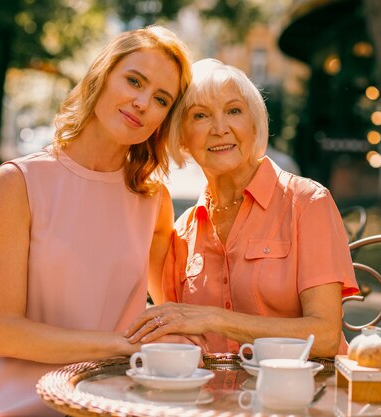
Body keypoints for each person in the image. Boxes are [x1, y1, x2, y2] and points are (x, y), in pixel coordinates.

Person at [0, 25, 192, 417]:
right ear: (102, 75)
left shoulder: (153, 200)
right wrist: (122, 345)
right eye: (134, 80)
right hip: (5, 398)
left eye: (161, 99)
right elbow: (6, 335)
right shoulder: (21, 181)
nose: (142, 102)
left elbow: (170, 313)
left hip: (102, 396)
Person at [124, 59, 359, 358]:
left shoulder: (307, 202)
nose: (220, 129)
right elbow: (175, 329)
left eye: (234, 111)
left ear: (254, 123)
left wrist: (216, 320)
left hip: (302, 395)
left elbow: (325, 336)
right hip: (215, 400)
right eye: (200, 116)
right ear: (181, 138)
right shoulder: (183, 232)